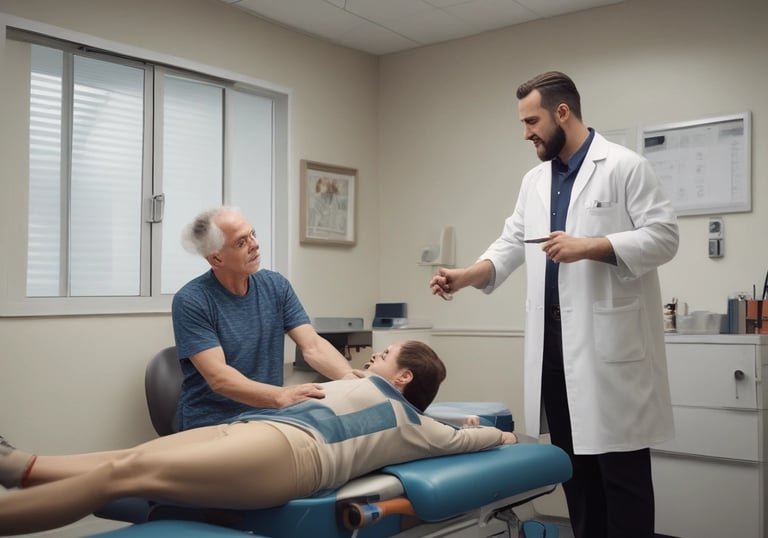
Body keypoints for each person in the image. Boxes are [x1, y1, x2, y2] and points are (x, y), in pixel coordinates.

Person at [429, 71, 678, 538]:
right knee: (578, 477)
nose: (526, 133)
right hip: (556, 355)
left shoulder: (625, 166)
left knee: (622, 482)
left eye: (532, 121)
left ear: (562, 112)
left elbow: (663, 238)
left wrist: (590, 246)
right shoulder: (535, 181)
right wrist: (466, 276)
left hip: (612, 355)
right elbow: (509, 245)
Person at [0, 341, 517, 536]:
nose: (375, 355)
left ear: (404, 378)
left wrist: (503, 436)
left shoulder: (412, 423)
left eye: (388, 354)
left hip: (291, 455)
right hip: (254, 429)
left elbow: (464, 438)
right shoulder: (355, 383)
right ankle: (20, 465)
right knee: (128, 455)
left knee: (125, 477)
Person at [172, 206, 365, 430]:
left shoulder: (275, 286)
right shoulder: (192, 300)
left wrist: (351, 379)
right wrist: (282, 396)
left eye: (253, 234)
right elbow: (219, 378)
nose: (254, 244)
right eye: (241, 242)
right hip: (213, 422)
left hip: (270, 417)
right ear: (216, 259)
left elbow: (313, 346)